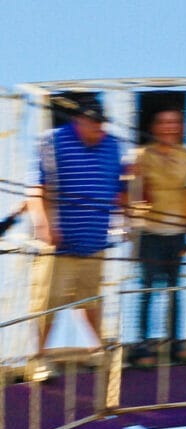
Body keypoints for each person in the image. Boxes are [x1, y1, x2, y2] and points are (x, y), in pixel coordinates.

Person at [26, 95, 124, 378]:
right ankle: (40, 359)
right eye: (93, 121)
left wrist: (126, 215)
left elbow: (118, 188)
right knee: (48, 300)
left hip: (94, 241)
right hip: (59, 244)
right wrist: (44, 225)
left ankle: (98, 350)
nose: (99, 127)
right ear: (78, 119)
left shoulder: (112, 145)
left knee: (91, 299)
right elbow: (37, 189)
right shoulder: (52, 140)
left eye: (102, 122)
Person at [131, 106, 186, 364]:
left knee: (175, 290)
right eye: (163, 121)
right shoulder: (141, 155)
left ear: (181, 127)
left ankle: (176, 343)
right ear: (154, 127)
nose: (169, 127)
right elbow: (132, 191)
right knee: (147, 289)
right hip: (149, 230)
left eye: (174, 122)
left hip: (178, 231)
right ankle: (143, 346)